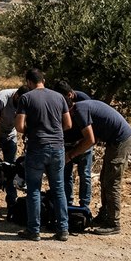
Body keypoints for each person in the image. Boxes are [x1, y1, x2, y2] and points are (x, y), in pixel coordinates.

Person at [59, 98, 131, 235]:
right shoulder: (80, 108)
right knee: (104, 178)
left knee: (112, 182)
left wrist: (70, 155)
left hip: (121, 140)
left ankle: (114, 223)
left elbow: (90, 140)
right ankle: (104, 215)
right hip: (115, 141)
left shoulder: (80, 111)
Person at [14, 68, 71, 241]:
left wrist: (32, 131)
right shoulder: (59, 97)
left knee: (33, 189)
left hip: (37, 147)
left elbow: (19, 126)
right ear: (43, 80)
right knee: (58, 188)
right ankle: (63, 229)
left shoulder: (26, 98)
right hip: (57, 148)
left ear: (29, 82)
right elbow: (68, 124)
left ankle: (34, 230)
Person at [0, 85, 29, 219]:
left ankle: (12, 203)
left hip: (10, 135)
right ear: (16, 96)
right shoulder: (1, 98)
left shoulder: (26, 100)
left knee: (12, 169)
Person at [53, 80, 93, 208]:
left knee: (84, 174)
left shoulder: (84, 100)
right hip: (66, 141)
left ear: (70, 95)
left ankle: (84, 205)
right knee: (66, 174)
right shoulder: (58, 100)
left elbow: (90, 127)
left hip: (82, 141)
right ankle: (67, 203)